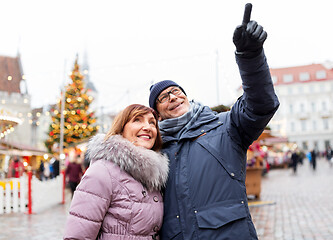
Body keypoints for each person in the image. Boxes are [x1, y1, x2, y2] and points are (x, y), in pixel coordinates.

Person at [148, 4, 279, 239]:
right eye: (163, 97)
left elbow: (261, 105)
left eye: (177, 91)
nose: (173, 97)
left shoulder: (225, 126)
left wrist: (250, 57)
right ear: (157, 114)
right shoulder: (154, 151)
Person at [63, 104, 169, 240]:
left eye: (152, 122)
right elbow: (77, 235)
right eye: (137, 120)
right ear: (121, 128)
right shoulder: (103, 171)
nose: (147, 127)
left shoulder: (155, 177)